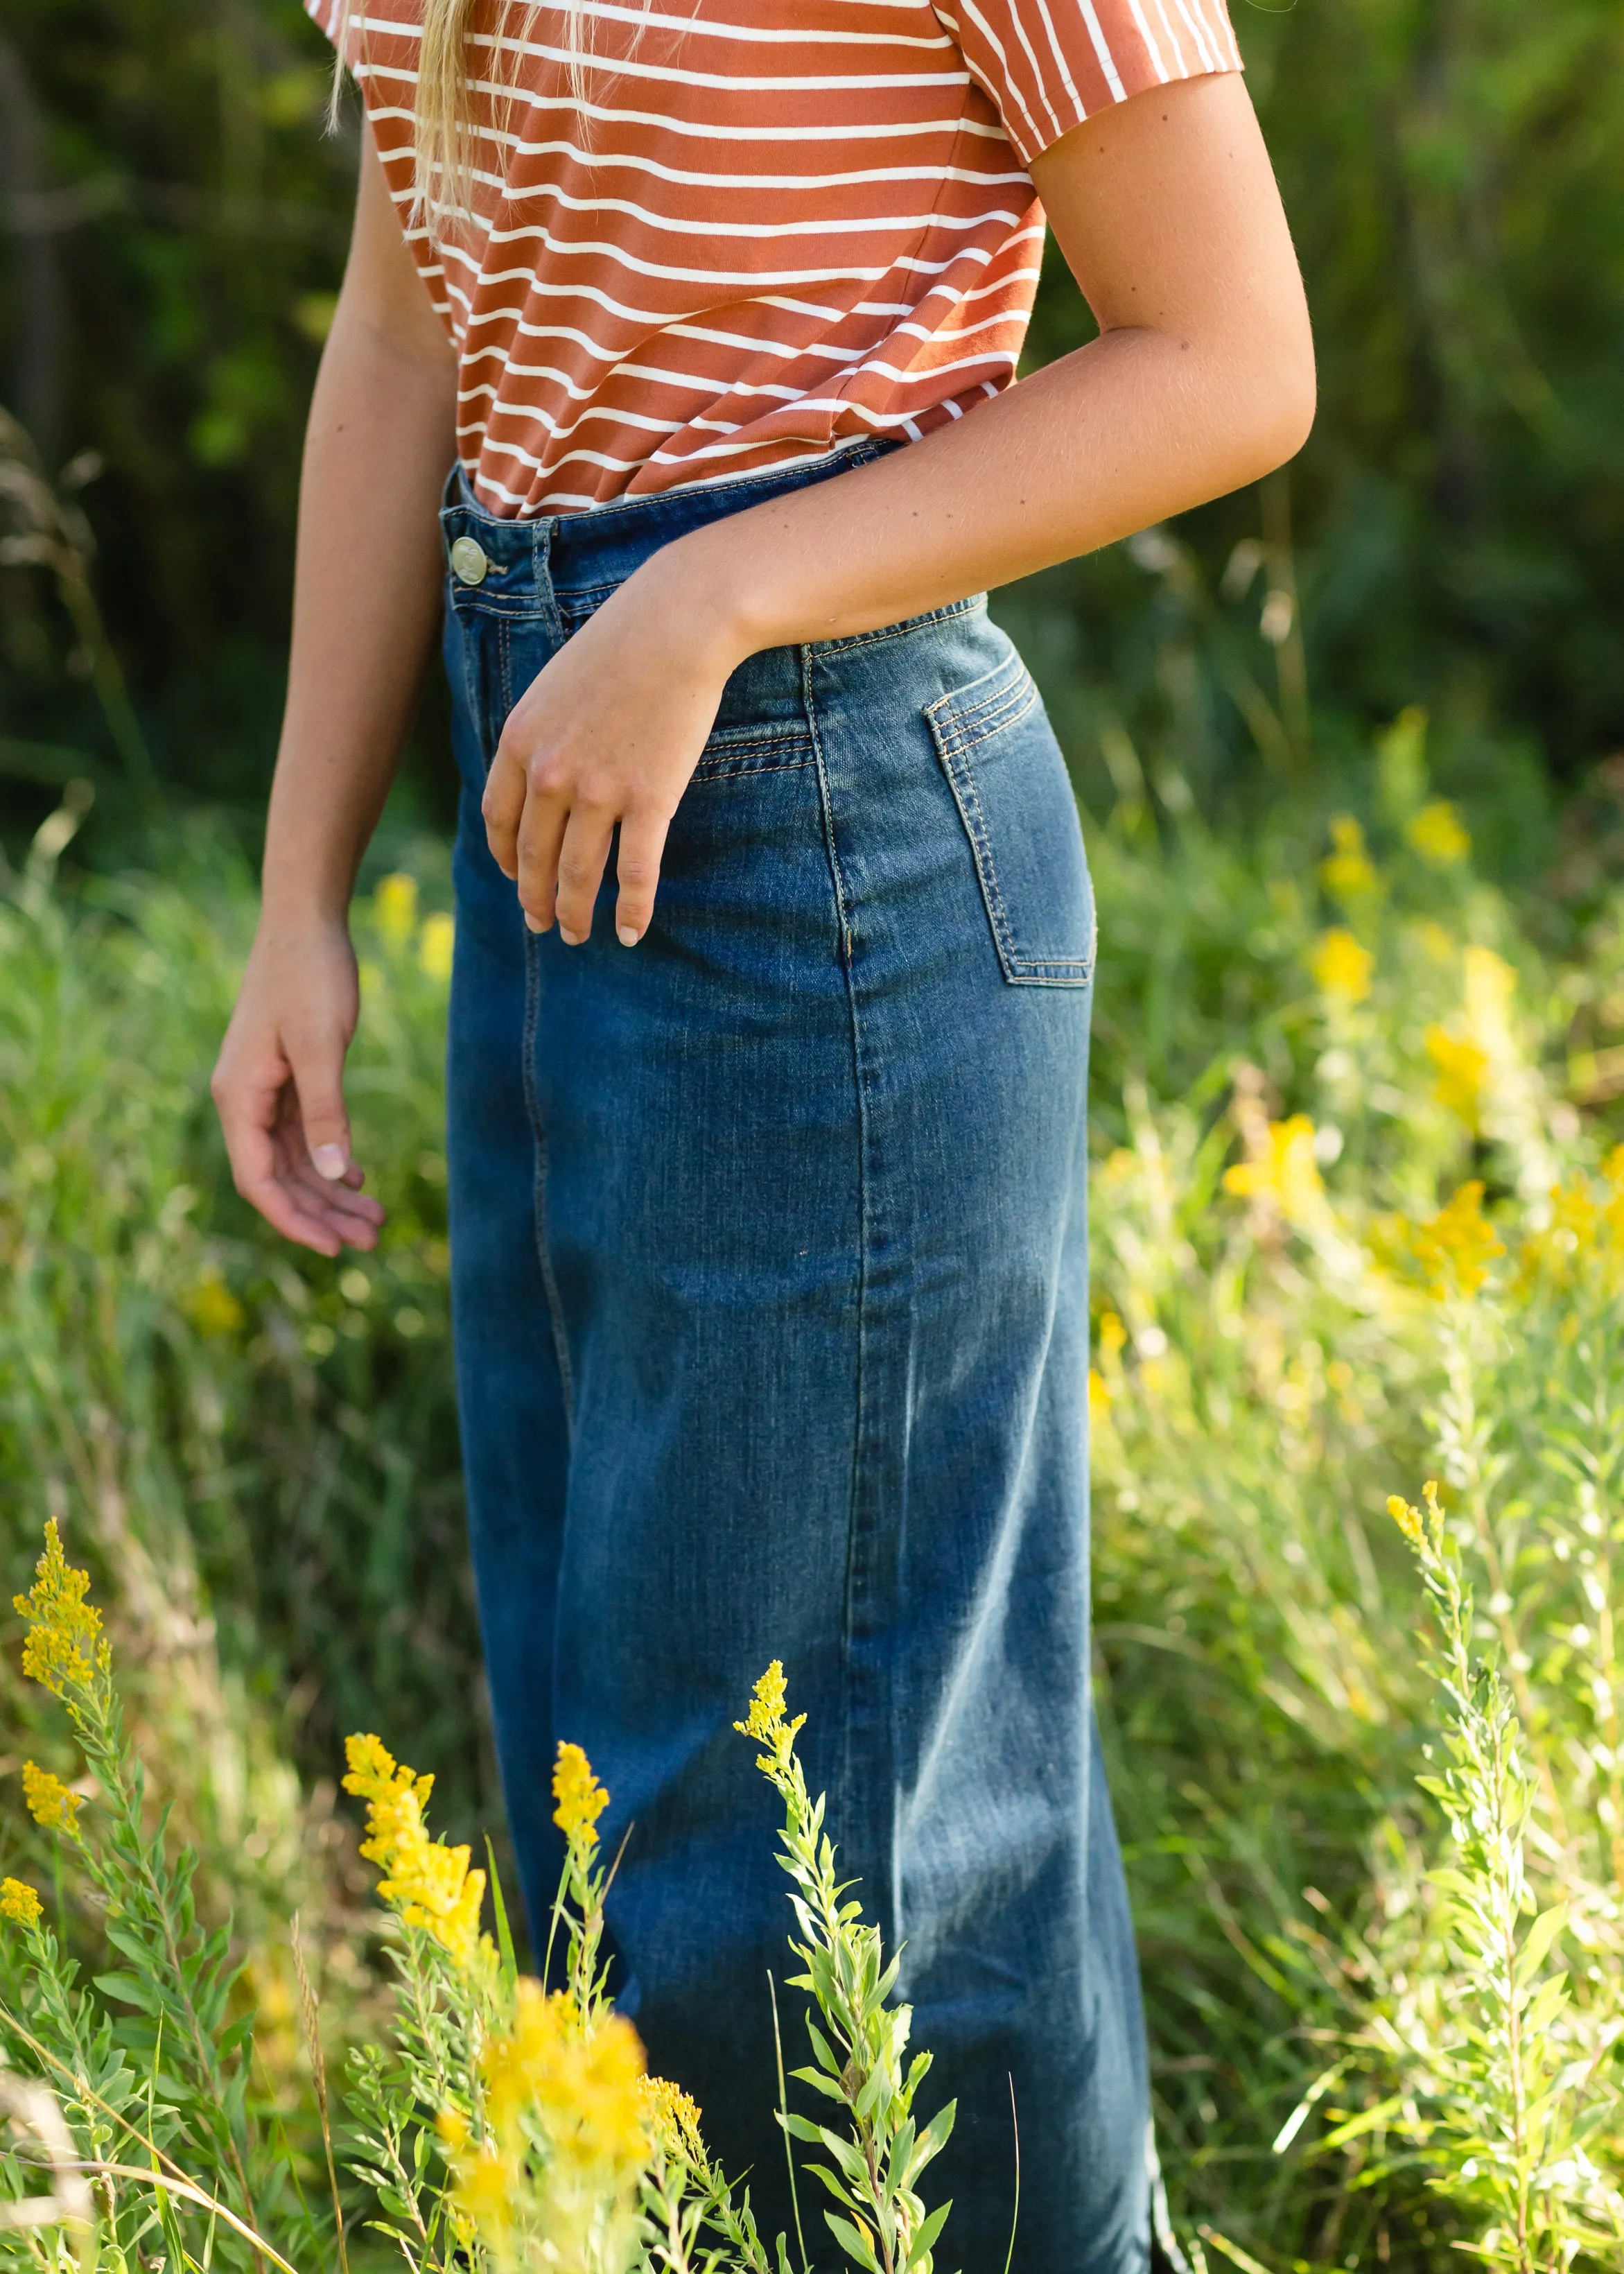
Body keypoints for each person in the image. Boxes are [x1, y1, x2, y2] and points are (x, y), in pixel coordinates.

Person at [211, 0, 1313, 2254]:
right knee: (620, 1810)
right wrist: (298, 895)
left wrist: (715, 593)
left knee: (866, 1870)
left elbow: (1229, 354)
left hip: (816, 814)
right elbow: (412, 320)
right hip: (554, 794)